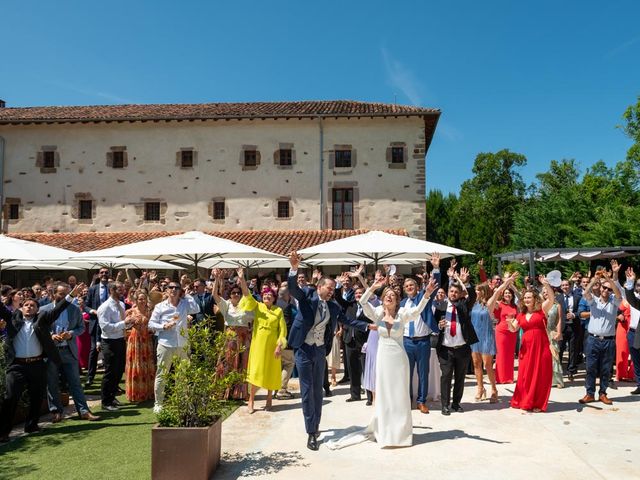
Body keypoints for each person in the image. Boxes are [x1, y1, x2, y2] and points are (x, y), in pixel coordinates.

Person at [327, 275, 437, 449]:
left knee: (400, 394)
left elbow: (417, 311)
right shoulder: (377, 313)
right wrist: (372, 287)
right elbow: (363, 303)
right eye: (386, 294)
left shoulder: (402, 314)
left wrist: (426, 295)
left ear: (397, 299)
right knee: (385, 393)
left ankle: (401, 433)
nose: (389, 296)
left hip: (400, 359)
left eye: (392, 295)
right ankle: (385, 430)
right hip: (384, 358)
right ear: (383, 298)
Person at [287, 252, 375, 451]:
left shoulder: (333, 306)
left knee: (318, 390)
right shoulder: (308, 296)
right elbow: (293, 288)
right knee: (307, 391)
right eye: (329, 288)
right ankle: (311, 432)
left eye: (333, 289)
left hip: (319, 350)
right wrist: (294, 268)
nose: (331, 292)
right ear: (319, 287)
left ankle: (315, 425)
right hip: (303, 349)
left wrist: (367, 327)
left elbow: (347, 320)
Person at [0, 283, 82, 443]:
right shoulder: (13, 319)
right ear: (21, 308)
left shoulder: (42, 319)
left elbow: (57, 309)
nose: (29, 307)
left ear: (38, 309)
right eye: (26, 305)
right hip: (17, 365)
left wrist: (71, 295)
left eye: (33, 305)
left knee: (37, 396)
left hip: (37, 364)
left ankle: (31, 425)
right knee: (10, 397)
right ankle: (3, 432)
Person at [44, 282, 100, 422]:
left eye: (67, 294)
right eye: (61, 294)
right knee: (52, 383)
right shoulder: (44, 309)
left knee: (75, 382)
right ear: (53, 294)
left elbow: (81, 328)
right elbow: (40, 329)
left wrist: (71, 333)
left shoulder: (74, 309)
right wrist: (50, 335)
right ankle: (56, 412)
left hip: (69, 350)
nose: (65, 297)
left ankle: (83, 411)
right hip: (52, 352)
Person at [235, 268, 287, 413]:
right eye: (265, 295)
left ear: (274, 298)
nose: (267, 297)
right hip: (258, 345)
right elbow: (247, 295)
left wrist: (279, 345)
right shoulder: (258, 307)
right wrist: (242, 280)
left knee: (271, 371)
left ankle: (269, 398)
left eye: (270, 295)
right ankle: (251, 400)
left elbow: (282, 330)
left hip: (272, 346)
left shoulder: (278, 311)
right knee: (255, 372)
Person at [148, 281, 200, 413]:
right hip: (166, 344)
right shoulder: (160, 306)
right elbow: (151, 324)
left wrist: (188, 295)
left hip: (182, 344)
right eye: (171, 287)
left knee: (182, 375)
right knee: (162, 374)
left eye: (177, 288)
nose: (174, 290)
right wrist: (163, 326)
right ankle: (158, 403)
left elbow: (196, 309)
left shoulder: (185, 303)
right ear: (166, 290)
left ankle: (181, 401)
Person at [434, 268, 478, 415]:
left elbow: (471, 295)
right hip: (446, 349)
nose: (453, 294)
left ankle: (456, 403)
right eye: (451, 291)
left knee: (460, 377)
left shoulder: (464, 305)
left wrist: (464, 281)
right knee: (446, 376)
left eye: (456, 292)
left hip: (462, 348)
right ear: (448, 292)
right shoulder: (440, 307)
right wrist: (438, 326)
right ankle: (445, 405)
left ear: (460, 294)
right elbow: (434, 324)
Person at [578, 263, 623, 405]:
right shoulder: (594, 301)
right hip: (593, 339)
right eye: (604, 288)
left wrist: (609, 280)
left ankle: (603, 393)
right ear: (600, 288)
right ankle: (589, 393)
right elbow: (585, 293)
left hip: (608, 340)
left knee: (605, 369)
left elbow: (618, 293)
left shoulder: (614, 302)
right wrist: (595, 279)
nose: (606, 290)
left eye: (608, 289)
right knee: (590, 368)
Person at [508, 277, 554, 412]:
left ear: (534, 299)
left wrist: (546, 285)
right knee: (525, 375)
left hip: (541, 347)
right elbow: (513, 329)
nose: (527, 300)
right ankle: (524, 400)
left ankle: (538, 403)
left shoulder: (541, 310)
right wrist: (509, 323)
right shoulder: (521, 314)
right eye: (525, 298)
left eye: (529, 297)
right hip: (526, 349)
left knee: (540, 375)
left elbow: (551, 299)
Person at [212, 269, 254, 400]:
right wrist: (217, 279)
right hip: (230, 336)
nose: (236, 294)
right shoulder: (226, 305)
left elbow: (247, 293)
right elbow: (214, 295)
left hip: (244, 336)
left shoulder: (246, 304)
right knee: (228, 363)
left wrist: (241, 279)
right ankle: (225, 392)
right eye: (233, 293)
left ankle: (241, 392)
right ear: (230, 295)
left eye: (238, 293)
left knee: (243, 363)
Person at [97, 282, 134, 411]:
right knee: (110, 372)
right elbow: (105, 327)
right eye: (119, 289)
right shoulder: (105, 307)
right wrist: (123, 323)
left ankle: (112, 397)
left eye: (123, 289)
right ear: (111, 290)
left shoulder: (121, 304)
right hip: (109, 342)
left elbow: (123, 323)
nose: (123, 291)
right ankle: (105, 401)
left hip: (120, 340)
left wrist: (128, 324)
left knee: (118, 371)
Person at [125, 291, 155, 402]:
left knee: (147, 364)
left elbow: (154, 325)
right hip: (135, 340)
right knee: (136, 364)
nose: (142, 301)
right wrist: (131, 322)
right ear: (136, 300)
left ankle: (148, 393)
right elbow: (125, 326)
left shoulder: (150, 312)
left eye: (144, 299)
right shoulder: (131, 312)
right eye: (140, 299)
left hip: (147, 340)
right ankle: (136, 394)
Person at [470, 283, 498, 403]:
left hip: (486, 336)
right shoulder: (473, 303)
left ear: (483, 291)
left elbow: (497, 292)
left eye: (478, 290)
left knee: (487, 365)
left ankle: (494, 389)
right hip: (474, 337)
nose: (476, 292)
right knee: (476, 364)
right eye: (476, 290)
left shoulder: (489, 303)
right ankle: (480, 388)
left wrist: (507, 282)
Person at [85, 268, 111, 387]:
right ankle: (90, 377)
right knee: (93, 351)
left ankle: (108, 377)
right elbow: (85, 305)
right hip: (95, 323)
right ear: (98, 275)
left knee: (108, 351)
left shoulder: (112, 288)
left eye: (106, 272)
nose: (104, 274)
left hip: (109, 323)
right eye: (102, 273)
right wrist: (92, 311)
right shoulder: (92, 289)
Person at [492, 279, 519, 384]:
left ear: (512, 295)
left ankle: (509, 378)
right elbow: (494, 296)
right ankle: (500, 378)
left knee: (510, 355)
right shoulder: (499, 304)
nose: (508, 295)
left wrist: (512, 286)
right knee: (501, 354)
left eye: (509, 293)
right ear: (503, 295)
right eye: (506, 293)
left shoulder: (515, 306)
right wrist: (505, 284)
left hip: (512, 332)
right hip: (501, 332)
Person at [622, 268, 640, 394]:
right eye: (638, 284)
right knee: (636, 362)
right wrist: (629, 281)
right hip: (633, 333)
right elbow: (629, 298)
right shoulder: (634, 297)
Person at [544, 287, 565, 388]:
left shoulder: (557, 305)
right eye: (544, 292)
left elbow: (559, 320)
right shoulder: (540, 305)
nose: (545, 294)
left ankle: (557, 380)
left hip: (552, 332)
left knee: (555, 355)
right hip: (542, 332)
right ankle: (546, 379)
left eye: (547, 292)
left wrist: (559, 332)